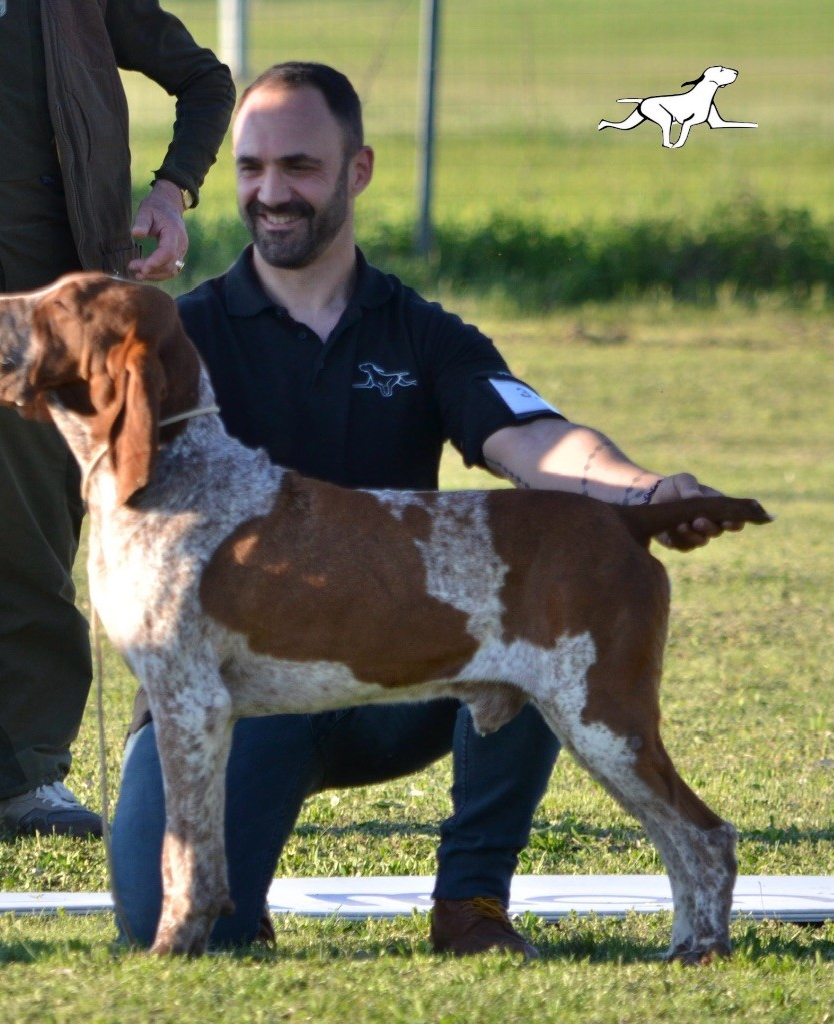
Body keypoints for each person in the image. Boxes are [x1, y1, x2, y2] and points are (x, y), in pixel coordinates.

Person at [110, 62, 740, 955]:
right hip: (238, 694)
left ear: (357, 170)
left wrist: (639, 491)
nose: (271, 193)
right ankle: (234, 898)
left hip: (401, 680)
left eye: (299, 167)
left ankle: (469, 903)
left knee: (534, 624)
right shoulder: (186, 335)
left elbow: (535, 440)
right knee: (160, 927)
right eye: (252, 169)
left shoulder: (421, 333)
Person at [0, 1, 235, 836]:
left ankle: (27, 777)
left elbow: (205, 81)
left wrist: (174, 192)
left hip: (40, 322)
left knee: (32, 552)